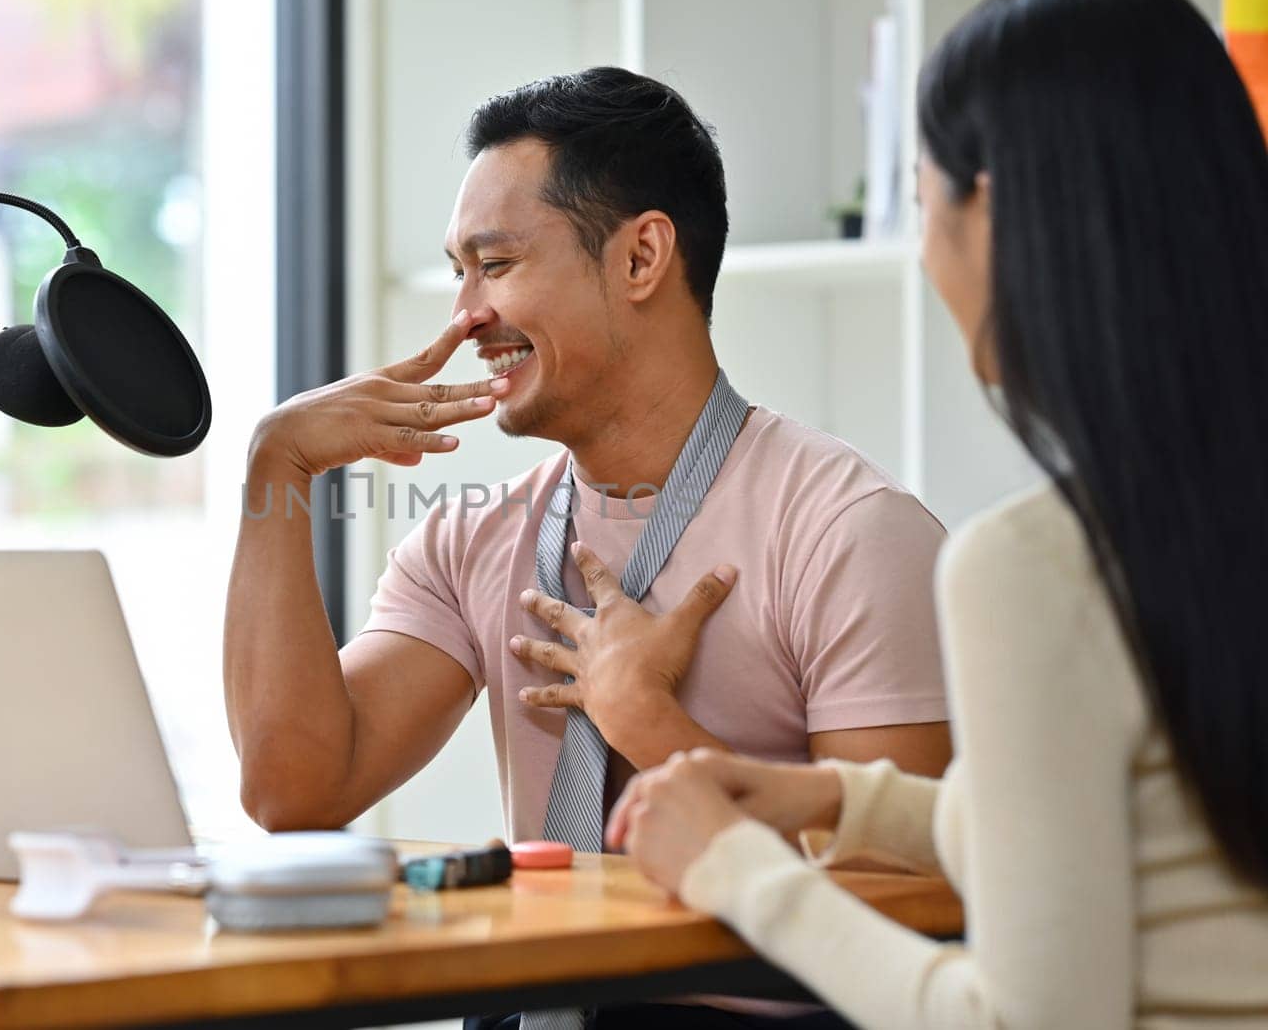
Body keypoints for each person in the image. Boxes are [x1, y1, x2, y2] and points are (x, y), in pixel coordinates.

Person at [542, 0, 1268, 1027]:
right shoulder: (1201, 525)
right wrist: (847, 799)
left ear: (994, 213)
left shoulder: (1035, 566)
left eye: (922, 195)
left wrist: (742, 870)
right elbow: (1159, 834)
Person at [224, 67, 952, 1026]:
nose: (465, 314)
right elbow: (295, 790)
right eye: (459, 270)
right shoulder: (469, 535)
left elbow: (906, 914)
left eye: (498, 263)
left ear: (643, 257)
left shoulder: (850, 532)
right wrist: (274, 469)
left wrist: (648, 724)